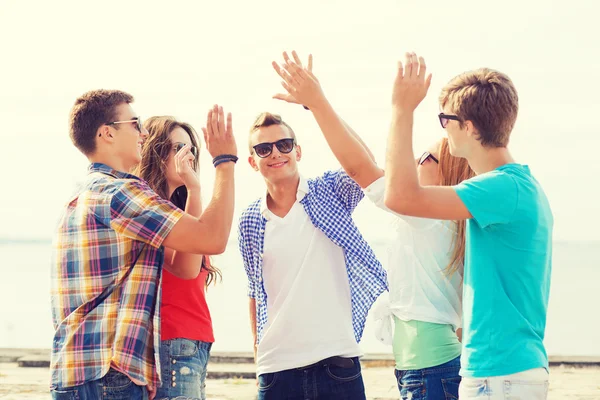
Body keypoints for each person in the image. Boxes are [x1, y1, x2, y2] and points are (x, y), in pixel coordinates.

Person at [272, 51, 475, 400]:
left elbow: (360, 169)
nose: (417, 160)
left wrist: (319, 103)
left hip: (431, 371)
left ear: (446, 174)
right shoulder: (433, 219)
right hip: (427, 369)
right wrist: (316, 104)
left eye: (426, 157)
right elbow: (368, 162)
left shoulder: (428, 217)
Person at [383, 53, 553, 399]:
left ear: (470, 127)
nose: (443, 129)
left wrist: (401, 111)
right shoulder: (514, 187)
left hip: (501, 375)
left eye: (446, 119)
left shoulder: (501, 188)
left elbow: (400, 196)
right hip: (507, 372)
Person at [50, 92, 237, 400]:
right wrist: (225, 163)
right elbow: (213, 238)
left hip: (76, 371)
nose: (144, 132)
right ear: (107, 133)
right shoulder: (120, 193)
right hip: (108, 376)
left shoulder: (81, 196)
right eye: (135, 124)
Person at [237, 104, 388, 399]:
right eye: (264, 149)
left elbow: (364, 163)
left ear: (298, 151)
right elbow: (255, 288)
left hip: (337, 364)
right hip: (276, 369)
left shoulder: (329, 191)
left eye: (284, 145)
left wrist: (318, 105)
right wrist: (258, 354)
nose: (276, 153)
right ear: (253, 161)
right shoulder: (250, 219)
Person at [134, 116, 222, 400]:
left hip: (194, 338)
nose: (187, 154)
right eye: (177, 147)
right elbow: (185, 268)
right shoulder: (151, 209)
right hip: (172, 340)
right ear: (156, 152)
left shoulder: (179, 208)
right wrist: (195, 190)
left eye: (190, 148)